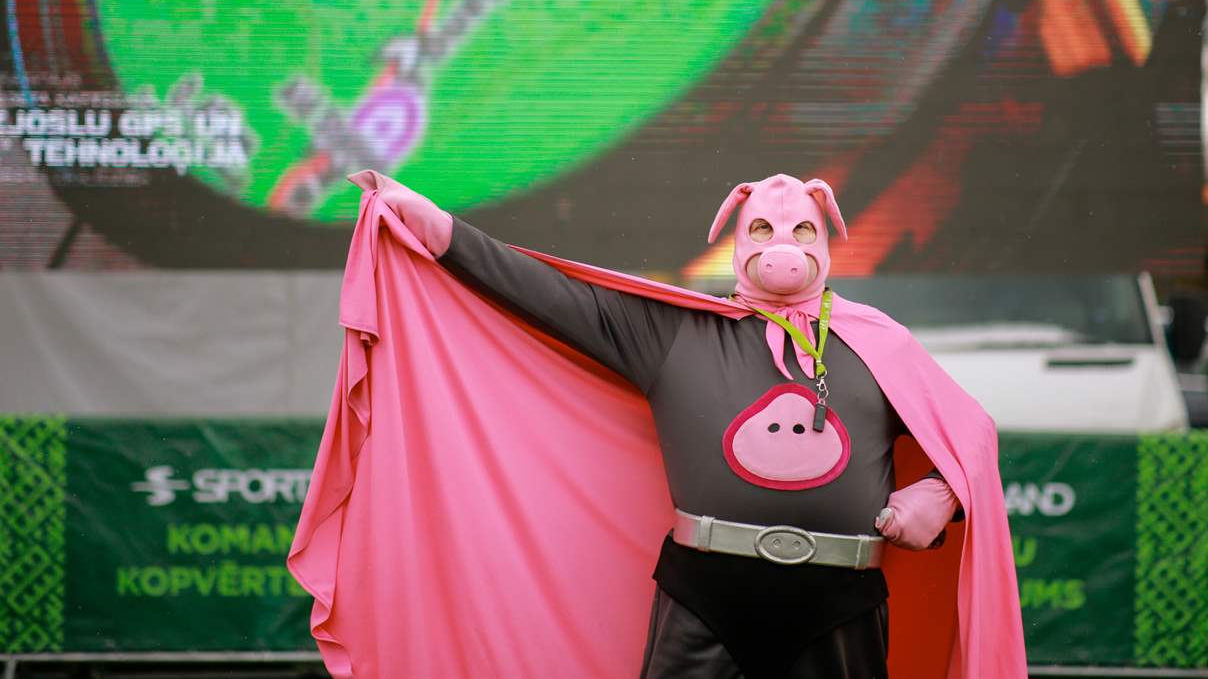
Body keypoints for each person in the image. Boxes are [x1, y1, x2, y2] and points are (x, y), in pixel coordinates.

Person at [342, 170, 999, 679]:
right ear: (737, 236)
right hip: (706, 594)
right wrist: (438, 229)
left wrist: (941, 494)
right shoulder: (676, 329)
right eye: (762, 228)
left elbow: (971, 434)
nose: (783, 247)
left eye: (803, 230)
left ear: (825, 238)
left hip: (841, 602)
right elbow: (547, 294)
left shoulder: (878, 342)